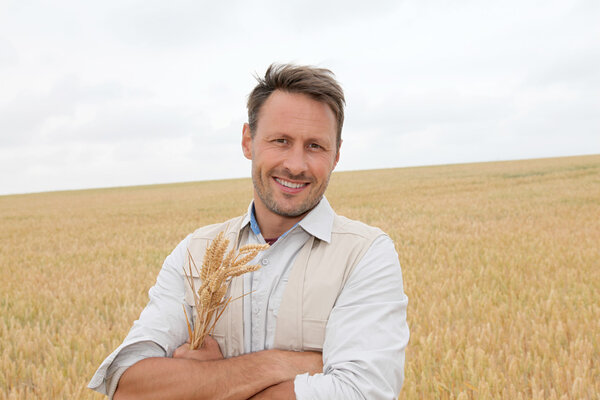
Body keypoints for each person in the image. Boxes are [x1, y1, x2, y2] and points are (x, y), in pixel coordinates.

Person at [89, 63, 409, 399]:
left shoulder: (366, 254)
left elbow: (363, 393)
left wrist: (202, 382)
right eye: (280, 141)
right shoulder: (194, 252)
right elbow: (128, 386)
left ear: (337, 154)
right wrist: (278, 365)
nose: (296, 164)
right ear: (248, 141)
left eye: (315, 146)